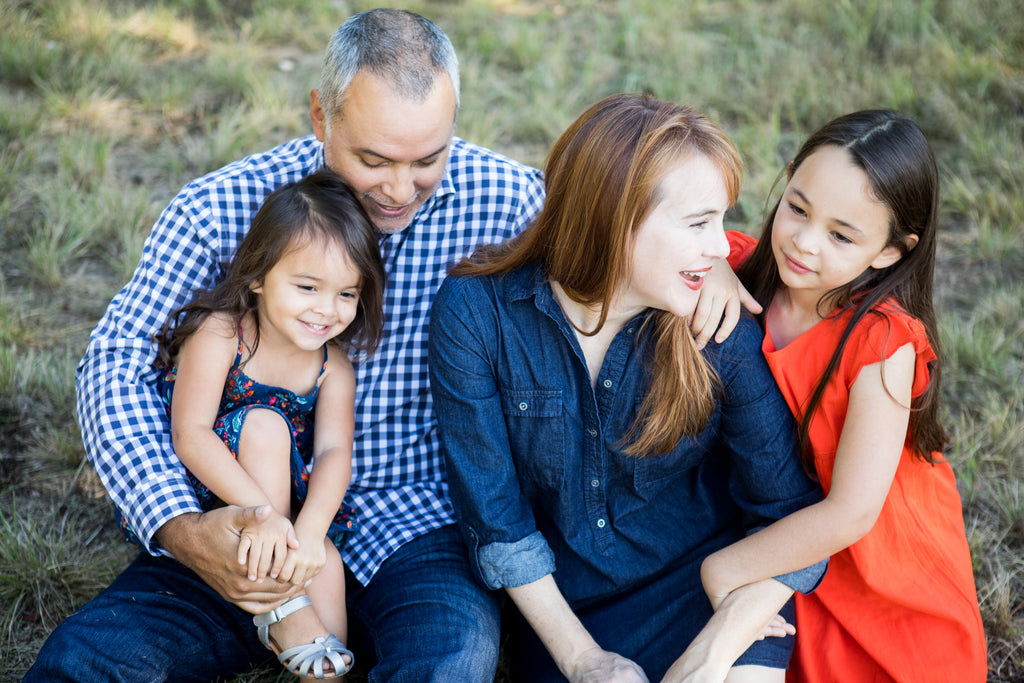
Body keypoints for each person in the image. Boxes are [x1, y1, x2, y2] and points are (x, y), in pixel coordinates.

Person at [26, 9, 549, 682]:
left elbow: (610, 249)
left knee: (453, 662)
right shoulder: (220, 207)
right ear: (320, 116)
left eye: (428, 159)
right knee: (85, 663)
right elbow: (116, 360)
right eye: (374, 159)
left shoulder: (506, 201)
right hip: (241, 519)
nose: (399, 189)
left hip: (416, 522)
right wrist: (183, 528)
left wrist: (719, 260)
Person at [428, 93, 827, 683]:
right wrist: (584, 660)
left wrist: (717, 646)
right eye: (699, 223)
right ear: (617, 221)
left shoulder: (714, 323)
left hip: (711, 586)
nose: (722, 248)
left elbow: (790, 513)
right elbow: (498, 522)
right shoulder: (477, 314)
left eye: (721, 219)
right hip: (567, 615)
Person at [698, 110, 987, 682]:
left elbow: (852, 511)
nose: (804, 243)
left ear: (888, 252)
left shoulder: (882, 340)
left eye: (840, 235)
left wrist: (722, 569)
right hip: (780, 527)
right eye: (797, 207)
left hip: (875, 562)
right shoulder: (740, 267)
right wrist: (714, 268)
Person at [152, 169, 385, 678]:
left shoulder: (333, 366)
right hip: (218, 496)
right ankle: (283, 609)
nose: (327, 310)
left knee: (323, 556)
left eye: (347, 294)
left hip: (285, 506)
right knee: (265, 423)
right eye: (307, 286)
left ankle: (323, 666)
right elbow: (189, 435)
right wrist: (265, 518)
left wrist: (307, 529)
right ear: (258, 276)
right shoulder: (221, 334)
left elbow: (333, 454)